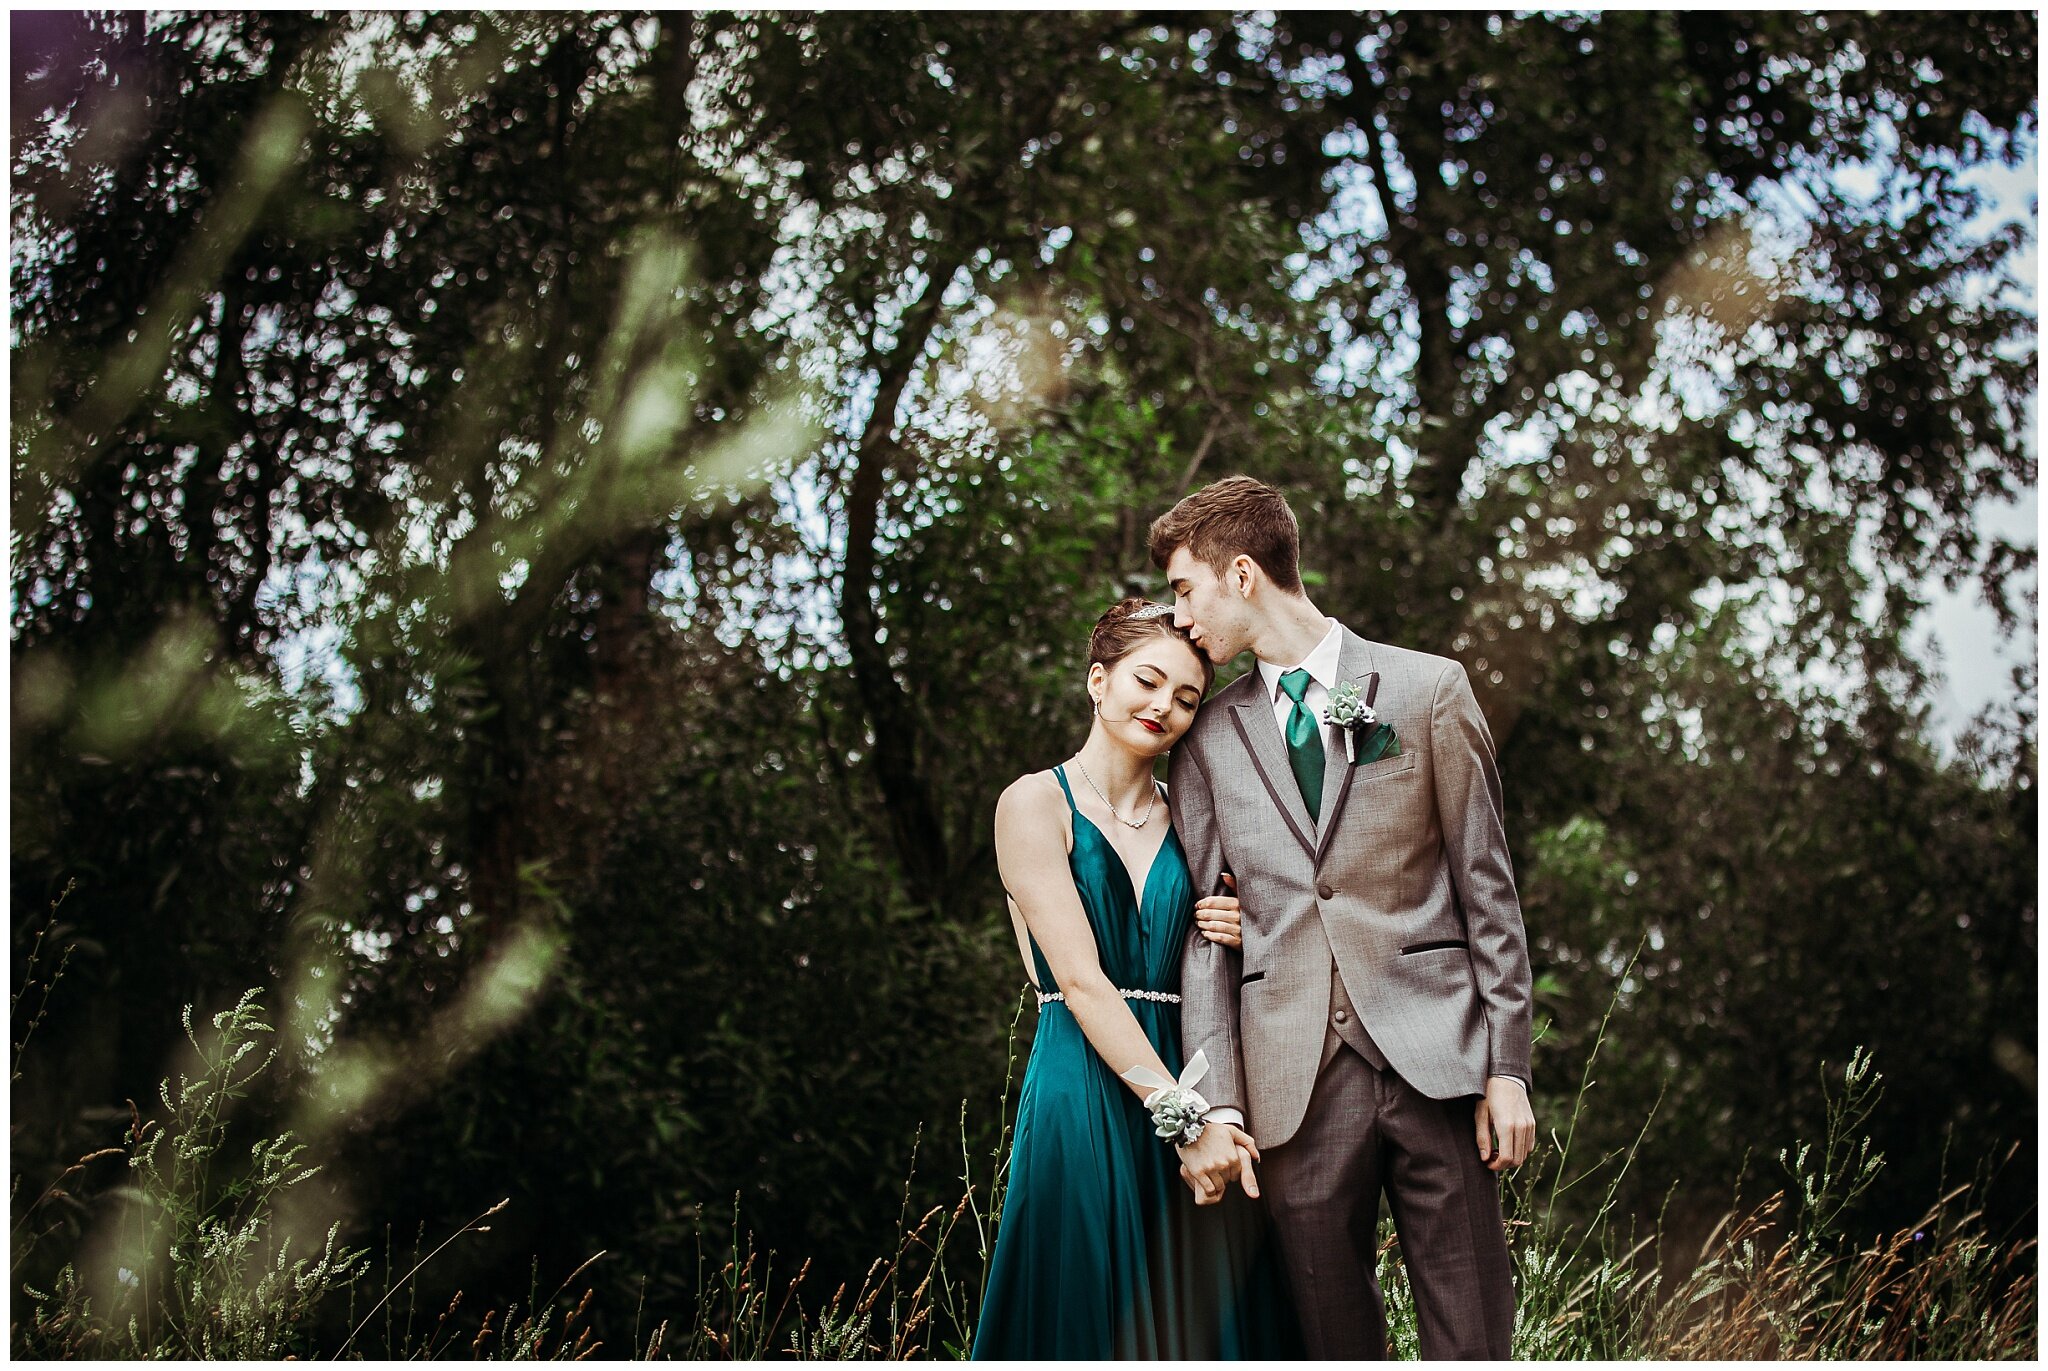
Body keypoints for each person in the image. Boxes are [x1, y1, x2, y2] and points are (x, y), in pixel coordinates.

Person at [1152, 475, 1537, 1359]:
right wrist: (1215, 1104)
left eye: (1186, 588)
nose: (1180, 617)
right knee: (1332, 1345)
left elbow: (1489, 888)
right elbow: (1207, 941)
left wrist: (1507, 1068)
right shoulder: (1207, 738)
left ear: (1242, 574)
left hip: (1440, 1064)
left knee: (1473, 1338)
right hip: (1292, 1089)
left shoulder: (1429, 690)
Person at [972, 598, 1303, 1360]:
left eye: (1187, 698)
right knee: (1089, 1308)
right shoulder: (1032, 803)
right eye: (1147, 681)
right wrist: (1185, 1121)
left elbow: (1268, 928)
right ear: (1098, 679)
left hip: (1200, 1074)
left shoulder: (1196, 816)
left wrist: (1253, 932)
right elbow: (1082, 982)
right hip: (1086, 1083)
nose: (1165, 706)